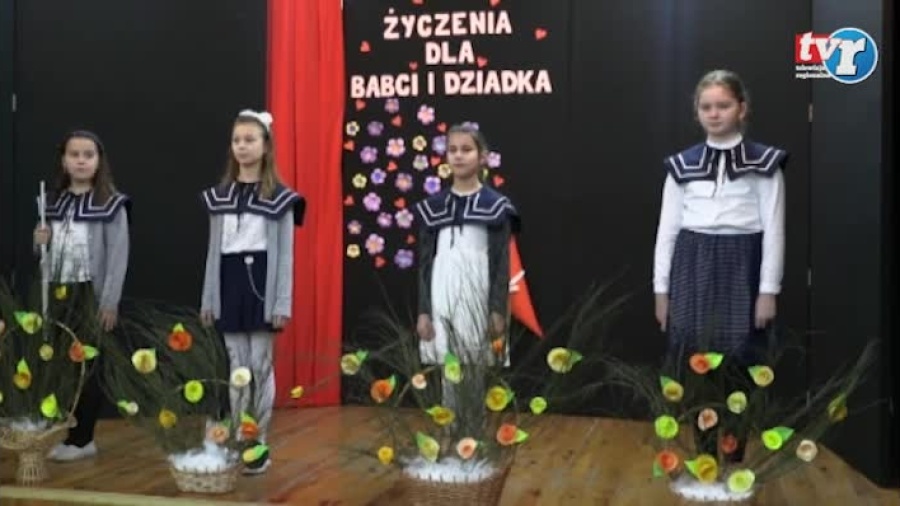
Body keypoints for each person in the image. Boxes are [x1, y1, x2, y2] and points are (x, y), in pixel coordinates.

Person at [653, 69, 788, 462]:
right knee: (697, 365)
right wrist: (662, 290)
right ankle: (705, 459)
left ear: (741, 109)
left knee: (739, 366)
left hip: (741, 265)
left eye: (723, 105)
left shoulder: (765, 163)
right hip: (691, 266)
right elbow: (667, 231)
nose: (714, 113)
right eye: (706, 106)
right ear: (697, 112)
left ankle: (733, 459)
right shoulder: (682, 166)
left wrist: (768, 290)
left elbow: (774, 230)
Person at [199, 109, 304, 475]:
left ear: (265, 145)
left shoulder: (280, 198)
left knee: (259, 364)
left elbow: (285, 255)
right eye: (237, 140)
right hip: (229, 279)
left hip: (261, 280)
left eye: (250, 140)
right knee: (236, 364)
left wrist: (281, 302)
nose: (242, 146)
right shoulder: (220, 197)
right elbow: (213, 252)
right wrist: (209, 297)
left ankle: (258, 442)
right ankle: (238, 438)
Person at [414, 123, 518, 433]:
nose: (458, 156)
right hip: (442, 291)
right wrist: (423, 311)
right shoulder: (434, 208)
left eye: (467, 150)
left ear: (482, 157)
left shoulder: (496, 206)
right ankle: (451, 435)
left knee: (473, 365)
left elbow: (501, 262)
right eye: (452, 150)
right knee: (449, 366)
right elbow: (424, 264)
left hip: (477, 291)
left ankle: (472, 435)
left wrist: (497, 308)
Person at [35, 129, 131, 461]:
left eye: (88, 155)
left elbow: (118, 256)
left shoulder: (111, 204)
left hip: (90, 291)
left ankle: (83, 438)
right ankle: (67, 432)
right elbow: (44, 254)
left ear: (98, 161)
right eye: (74, 154)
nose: (80, 161)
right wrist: (39, 240)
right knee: (62, 365)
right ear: (64, 160)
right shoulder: (51, 202)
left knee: (88, 365)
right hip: (59, 290)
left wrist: (109, 302)